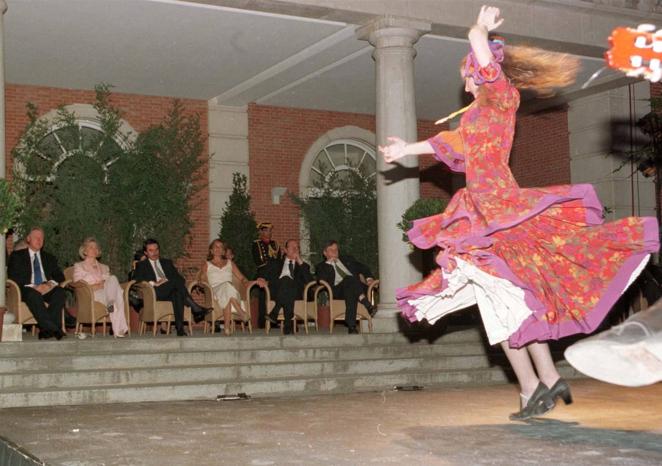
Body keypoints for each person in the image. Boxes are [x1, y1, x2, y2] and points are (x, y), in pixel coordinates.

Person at [379, 6, 659, 420]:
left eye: (470, 72)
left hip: (500, 212)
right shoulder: (473, 119)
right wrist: (405, 150)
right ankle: (543, 379)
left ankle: (534, 385)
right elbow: (447, 143)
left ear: (480, 71)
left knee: (502, 306)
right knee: (513, 302)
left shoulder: (501, 100)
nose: (466, 79)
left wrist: (479, 30)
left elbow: (485, 61)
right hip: (482, 213)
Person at [133, 238, 210, 336]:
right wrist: (154, 283)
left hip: (169, 290)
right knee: (174, 283)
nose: (154, 253)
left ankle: (180, 329)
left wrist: (167, 281)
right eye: (151, 250)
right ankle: (195, 307)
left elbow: (180, 280)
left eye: (156, 249)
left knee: (177, 293)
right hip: (154, 292)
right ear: (146, 253)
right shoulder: (142, 265)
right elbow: (136, 281)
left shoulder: (167, 262)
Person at [7, 227, 67, 340]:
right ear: (28, 239)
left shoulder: (49, 257)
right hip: (27, 289)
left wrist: (49, 284)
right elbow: (14, 277)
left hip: (46, 288)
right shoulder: (17, 256)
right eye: (36, 237)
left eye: (42, 238)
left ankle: (46, 329)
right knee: (33, 294)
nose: (39, 240)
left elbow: (60, 276)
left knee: (60, 292)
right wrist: (34, 286)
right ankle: (54, 329)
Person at [202, 239, 264, 335]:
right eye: (215, 246)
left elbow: (242, 279)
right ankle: (240, 313)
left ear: (223, 251)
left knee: (227, 288)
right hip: (214, 292)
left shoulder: (230, 263)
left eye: (220, 247)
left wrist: (254, 281)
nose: (218, 249)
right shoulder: (207, 264)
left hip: (230, 291)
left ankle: (227, 328)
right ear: (211, 250)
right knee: (226, 288)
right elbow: (203, 279)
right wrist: (205, 285)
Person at [315, 240, 377, 334]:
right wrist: (328, 263)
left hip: (356, 287)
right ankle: (366, 303)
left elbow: (363, 267)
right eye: (331, 250)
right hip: (338, 291)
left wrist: (369, 278)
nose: (335, 252)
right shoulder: (321, 266)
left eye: (336, 249)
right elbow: (321, 279)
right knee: (349, 280)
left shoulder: (348, 259)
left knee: (349, 284)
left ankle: (351, 326)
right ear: (325, 253)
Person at [73, 237, 129, 338]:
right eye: (91, 247)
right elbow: (77, 283)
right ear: (84, 251)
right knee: (118, 294)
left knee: (113, 278)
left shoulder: (104, 267)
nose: (94, 249)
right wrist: (95, 286)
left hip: (106, 293)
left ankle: (110, 302)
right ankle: (119, 329)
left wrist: (104, 284)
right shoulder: (79, 266)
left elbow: (109, 282)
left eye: (96, 248)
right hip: (91, 295)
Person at [263, 239, 315, 334]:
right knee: (286, 280)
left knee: (287, 281)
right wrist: (260, 279)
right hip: (277, 291)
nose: (295, 249)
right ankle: (288, 324)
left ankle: (275, 311)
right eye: (292, 247)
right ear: (285, 250)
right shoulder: (275, 263)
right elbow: (264, 276)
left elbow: (310, 282)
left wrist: (299, 261)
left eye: (297, 247)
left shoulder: (303, 266)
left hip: (296, 294)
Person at [252, 222, 282, 328]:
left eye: (270, 230)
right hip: (263, 273)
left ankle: (274, 319)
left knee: (276, 294)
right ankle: (263, 322)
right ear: (261, 231)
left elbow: (279, 260)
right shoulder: (256, 244)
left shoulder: (275, 244)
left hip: (275, 274)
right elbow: (259, 261)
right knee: (263, 297)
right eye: (265, 230)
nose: (268, 233)